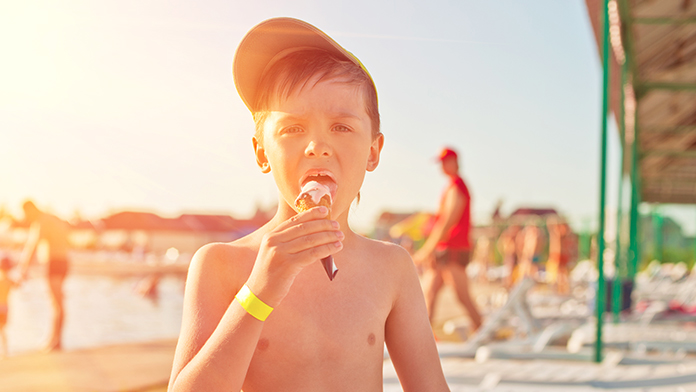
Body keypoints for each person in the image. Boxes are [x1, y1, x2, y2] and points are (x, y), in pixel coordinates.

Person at [168, 18, 449, 391]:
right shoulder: (220, 265)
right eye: (292, 129)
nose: (317, 145)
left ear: (373, 151)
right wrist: (258, 292)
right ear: (261, 151)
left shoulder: (391, 269)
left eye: (342, 127)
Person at [413, 147, 482, 334]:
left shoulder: (457, 185)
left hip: (453, 249)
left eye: (444, 162)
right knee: (430, 293)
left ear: (454, 162)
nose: (441, 167)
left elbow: (448, 221)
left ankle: (483, 330)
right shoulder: (452, 185)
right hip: (446, 249)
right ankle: (423, 338)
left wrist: (427, 249)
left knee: (462, 296)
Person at [18, 200, 71, 352]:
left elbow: (33, 245)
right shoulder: (54, 217)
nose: (26, 217)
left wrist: (23, 268)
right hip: (64, 262)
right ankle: (55, 339)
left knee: (56, 304)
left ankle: (56, 341)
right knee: (58, 303)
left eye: (25, 214)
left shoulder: (41, 221)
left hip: (54, 263)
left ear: (30, 209)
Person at [546, 217, 577, 295]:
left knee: (562, 274)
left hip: (559, 255)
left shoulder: (561, 233)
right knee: (559, 274)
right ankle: (560, 290)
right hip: (557, 254)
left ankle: (562, 290)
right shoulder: (558, 233)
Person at [0, 255, 17, 358]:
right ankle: (6, 350)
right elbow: (19, 284)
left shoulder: (2, 281)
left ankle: (5, 350)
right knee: (2, 329)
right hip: (5, 308)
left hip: (2, 308)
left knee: (2, 329)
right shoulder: (9, 281)